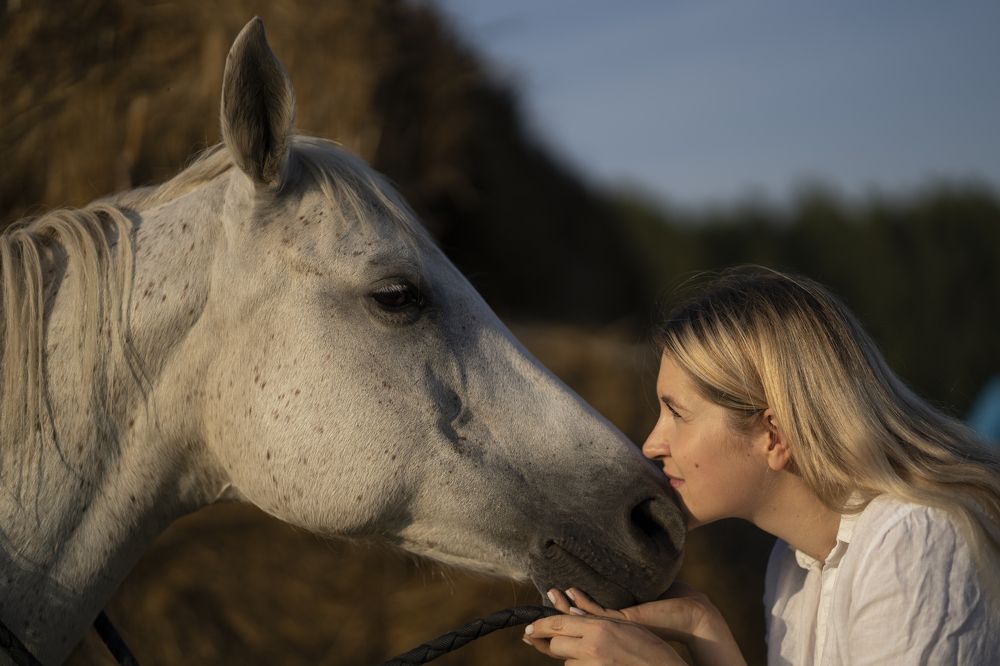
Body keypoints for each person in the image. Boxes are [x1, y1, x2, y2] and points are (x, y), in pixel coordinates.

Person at [522, 266, 1000, 665]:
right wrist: (705, 630)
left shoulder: (915, 541)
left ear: (774, 434)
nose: (651, 444)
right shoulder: (793, 565)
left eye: (678, 414)